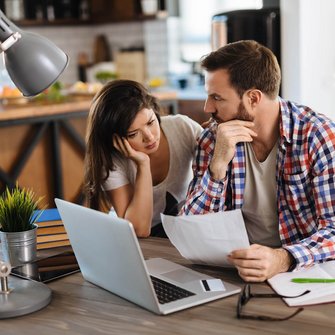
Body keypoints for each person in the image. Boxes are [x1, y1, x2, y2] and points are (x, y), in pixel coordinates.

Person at [181, 40, 335, 282]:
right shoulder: (213, 139)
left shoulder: (317, 136)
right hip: (234, 271)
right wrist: (217, 167)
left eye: (217, 98)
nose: (207, 107)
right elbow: (190, 230)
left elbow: (333, 229)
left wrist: (282, 258)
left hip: (302, 272)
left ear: (253, 98)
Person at [84, 79, 202, 237]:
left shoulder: (183, 128)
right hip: (136, 240)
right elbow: (139, 230)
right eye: (133, 134)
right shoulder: (111, 161)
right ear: (115, 138)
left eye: (151, 122)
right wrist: (142, 164)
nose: (149, 137)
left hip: (182, 233)